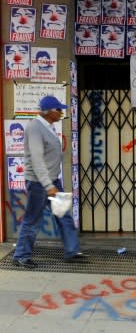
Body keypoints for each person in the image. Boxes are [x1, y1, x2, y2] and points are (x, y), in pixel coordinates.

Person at [12, 95, 88, 269]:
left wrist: (53, 183)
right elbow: (37, 160)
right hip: (40, 183)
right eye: (58, 109)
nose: (61, 113)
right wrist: (48, 186)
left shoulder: (49, 126)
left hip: (52, 181)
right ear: (48, 112)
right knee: (32, 220)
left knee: (64, 216)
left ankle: (72, 251)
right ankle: (21, 256)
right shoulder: (35, 128)